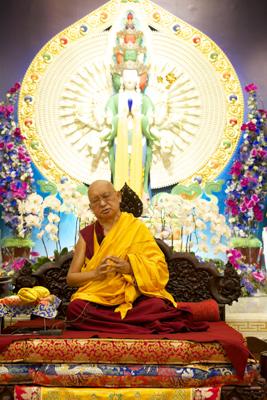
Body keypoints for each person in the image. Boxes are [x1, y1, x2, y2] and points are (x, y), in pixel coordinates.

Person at [66, 180, 208, 334]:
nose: (102, 203)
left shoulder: (137, 228)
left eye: (106, 197)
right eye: (95, 201)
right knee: (75, 309)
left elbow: (159, 268)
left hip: (133, 298)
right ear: (91, 208)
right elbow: (71, 278)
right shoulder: (86, 235)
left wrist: (131, 268)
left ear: (118, 196)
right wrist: (96, 274)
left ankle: (119, 325)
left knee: (156, 305)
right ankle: (138, 324)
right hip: (97, 298)